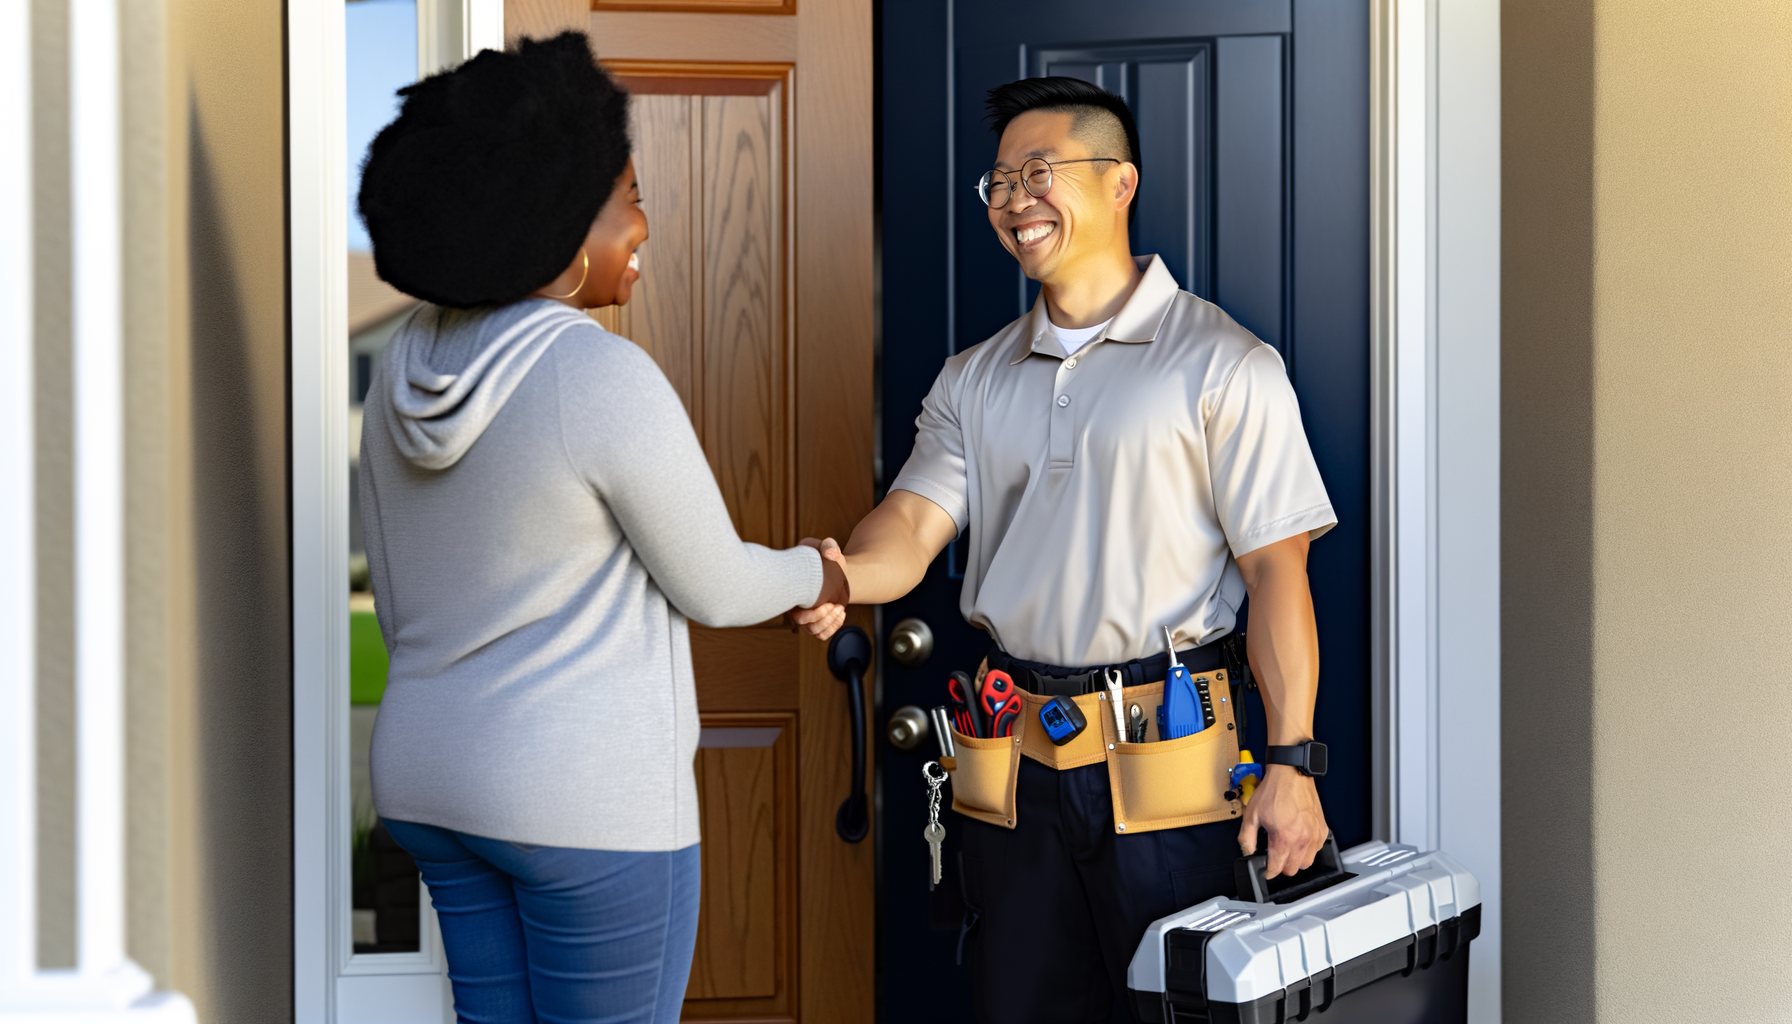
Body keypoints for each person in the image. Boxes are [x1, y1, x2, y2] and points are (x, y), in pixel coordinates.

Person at [792, 77, 1335, 1023]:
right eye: (999, 183)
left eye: (1038, 173)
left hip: (1172, 771)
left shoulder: (1225, 365)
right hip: (1013, 773)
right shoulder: (973, 379)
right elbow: (910, 526)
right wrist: (838, 573)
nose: (1014, 201)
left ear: (1121, 182)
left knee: (1181, 1011)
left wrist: (1292, 764)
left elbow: (1276, 571)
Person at [355, 33, 846, 1024]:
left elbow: (399, 609)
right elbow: (715, 585)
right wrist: (820, 574)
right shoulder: (594, 372)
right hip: (579, 799)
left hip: (429, 779)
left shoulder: (402, 374)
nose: (645, 224)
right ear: (562, 224)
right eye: (630, 197)